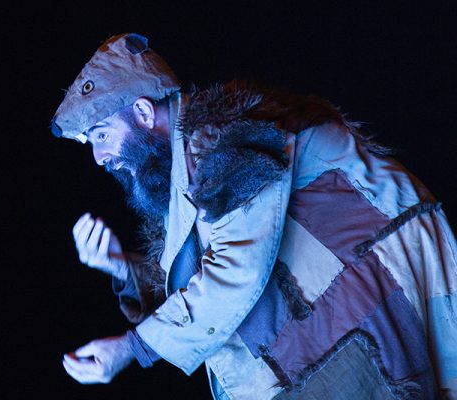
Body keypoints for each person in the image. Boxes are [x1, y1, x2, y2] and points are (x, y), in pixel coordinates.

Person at [52, 33, 457, 399]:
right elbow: (202, 283)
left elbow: (237, 267)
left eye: (102, 134)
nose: (99, 157)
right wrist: (124, 270)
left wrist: (131, 348)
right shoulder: (190, 181)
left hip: (364, 304)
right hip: (325, 341)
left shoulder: (225, 138)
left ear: (142, 112)